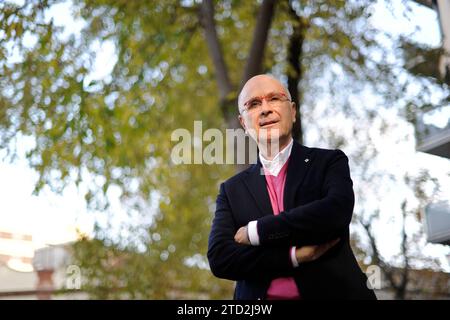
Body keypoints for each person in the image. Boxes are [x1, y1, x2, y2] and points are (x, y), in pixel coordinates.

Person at [207, 74, 377, 300]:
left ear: (293, 111)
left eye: (274, 99)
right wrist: (293, 256)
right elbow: (221, 259)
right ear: (243, 123)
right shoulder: (232, 190)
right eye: (254, 104)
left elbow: (335, 213)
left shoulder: (328, 163)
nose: (265, 109)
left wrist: (256, 232)